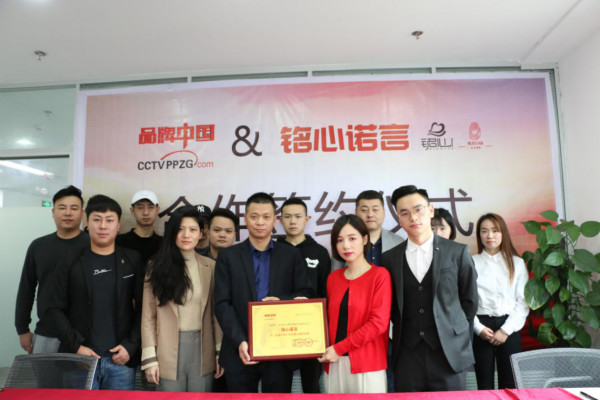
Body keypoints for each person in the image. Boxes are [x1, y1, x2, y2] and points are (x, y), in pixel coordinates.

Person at [382, 185, 478, 392]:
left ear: (431, 210)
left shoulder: (457, 252)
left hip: (449, 354)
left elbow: (469, 302)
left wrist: (457, 337)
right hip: (407, 355)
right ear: (399, 219)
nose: (413, 217)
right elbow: (391, 308)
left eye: (418, 209)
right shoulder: (389, 259)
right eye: (405, 213)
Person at [214, 192, 313, 393]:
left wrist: (281, 301)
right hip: (239, 348)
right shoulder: (228, 256)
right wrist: (240, 340)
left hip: (279, 348)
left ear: (275, 220)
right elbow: (222, 303)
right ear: (245, 219)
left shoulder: (291, 255)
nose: (260, 222)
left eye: (266, 217)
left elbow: (306, 292)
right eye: (254, 216)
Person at [47, 194, 143, 390]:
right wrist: (76, 347)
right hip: (80, 360)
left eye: (109, 220)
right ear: (87, 223)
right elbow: (53, 308)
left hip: (120, 360)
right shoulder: (69, 260)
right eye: (97, 220)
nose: (103, 226)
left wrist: (130, 345)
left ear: (118, 225)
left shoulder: (133, 260)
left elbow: (145, 308)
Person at [141, 206, 223, 392]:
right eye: (180, 229)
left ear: (201, 233)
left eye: (193, 229)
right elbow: (148, 317)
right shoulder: (156, 266)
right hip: (166, 348)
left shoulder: (210, 266)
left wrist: (219, 352)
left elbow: (216, 316)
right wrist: (150, 359)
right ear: (172, 232)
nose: (186, 235)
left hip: (203, 348)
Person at [318, 214, 391, 393]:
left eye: (352, 238)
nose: (346, 245)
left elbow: (378, 324)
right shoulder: (333, 278)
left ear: (365, 239)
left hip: (367, 364)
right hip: (334, 362)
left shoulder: (380, 276)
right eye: (340, 240)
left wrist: (339, 348)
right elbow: (326, 319)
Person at [15, 185, 88, 355]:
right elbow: (26, 289)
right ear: (53, 212)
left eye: (74, 208)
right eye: (62, 208)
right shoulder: (38, 246)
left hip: (84, 335)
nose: (68, 213)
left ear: (82, 213)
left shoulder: (92, 245)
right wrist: (22, 328)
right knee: (45, 374)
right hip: (47, 332)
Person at [278, 197, 331, 393]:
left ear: (307, 219)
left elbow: (326, 293)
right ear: (280, 220)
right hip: (278, 330)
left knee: (311, 386)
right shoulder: (272, 251)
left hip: (312, 331)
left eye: (298, 216)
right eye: (287, 217)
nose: (293, 221)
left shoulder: (319, 252)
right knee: (278, 386)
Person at [472, 213, 529, 390]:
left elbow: (523, 302)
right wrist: (478, 328)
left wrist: (505, 330)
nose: (490, 236)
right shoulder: (471, 262)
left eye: (495, 231)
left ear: (503, 233)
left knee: (510, 384)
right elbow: (465, 302)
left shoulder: (517, 263)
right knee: (484, 384)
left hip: (509, 325)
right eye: (484, 231)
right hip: (481, 327)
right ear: (479, 235)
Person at [332, 190, 403, 271]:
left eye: (375, 209)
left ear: (384, 212)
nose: (370, 215)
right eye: (364, 210)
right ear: (356, 212)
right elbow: (335, 273)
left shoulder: (398, 242)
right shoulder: (343, 242)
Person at [116, 190, 162, 269]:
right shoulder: (119, 242)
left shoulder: (164, 244)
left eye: (151, 207)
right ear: (132, 211)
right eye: (140, 208)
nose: (146, 213)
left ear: (157, 210)